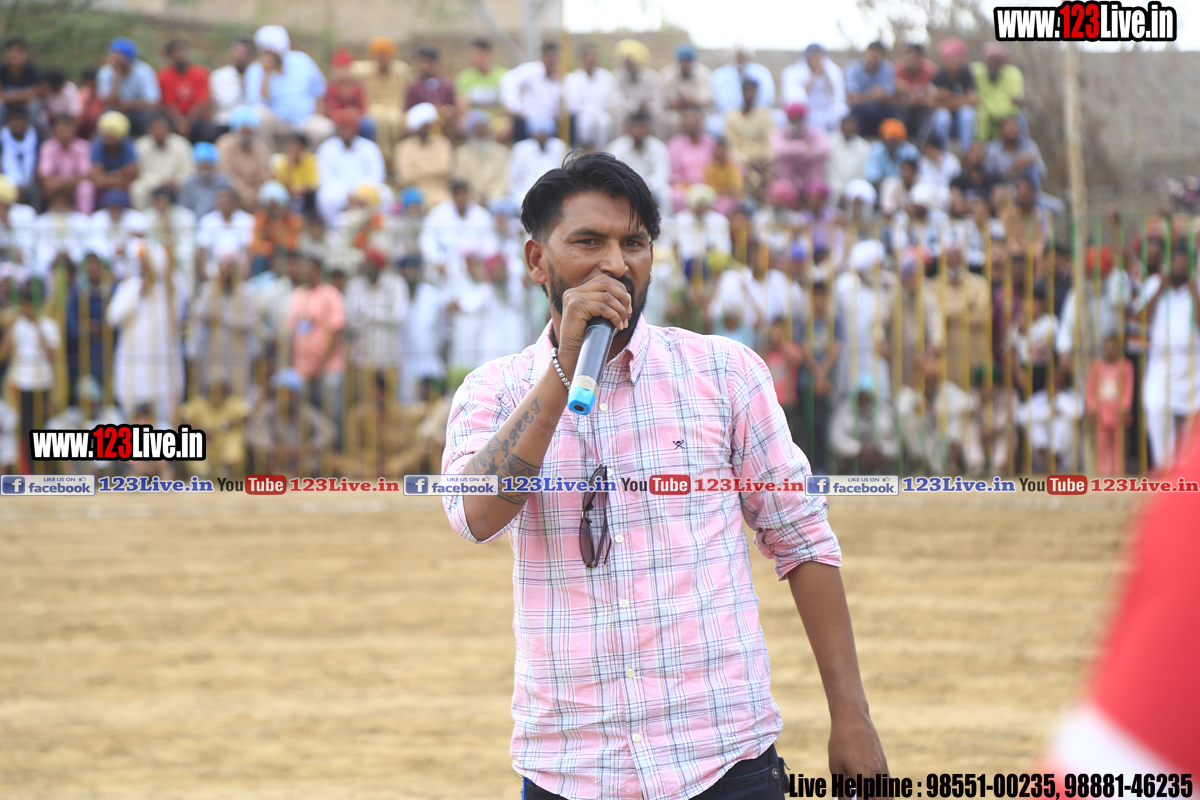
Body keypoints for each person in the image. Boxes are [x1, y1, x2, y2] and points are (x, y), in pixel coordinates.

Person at [440, 151, 887, 797]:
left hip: (724, 757)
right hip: (573, 765)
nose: (615, 263)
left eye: (635, 243)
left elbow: (801, 538)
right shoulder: (495, 390)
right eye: (588, 242)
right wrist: (564, 370)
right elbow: (475, 515)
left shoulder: (724, 373)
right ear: (537, 260)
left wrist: (852, 714)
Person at [106, 239, 187, 428]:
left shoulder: (170, 288)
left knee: (163, 424)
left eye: (148, 262)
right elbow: (112, 317)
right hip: (133, 370)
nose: (144, 266)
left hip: (162, 371)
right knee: (132, 424)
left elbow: (180, 306)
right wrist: (138, 294)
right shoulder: (130, 287)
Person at [1140, 243, 1200, 469]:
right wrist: (1159, 290)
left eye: (1184, 263)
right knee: (1155, 408)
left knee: (1193, 423)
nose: (1179, 267)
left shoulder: (1196, 288)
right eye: (1175, 262)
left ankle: (1188, 469)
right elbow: (1141, 320)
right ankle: (1165, 467)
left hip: (1193, 368)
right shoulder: (1154, 285)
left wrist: (1194, 292)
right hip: (1161, 365)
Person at [245, 25, 334, 148]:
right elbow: (257, 103)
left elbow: (319, 91)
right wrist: (266, 75)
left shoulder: (302, 61)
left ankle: (304, 159)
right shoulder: (255, 70)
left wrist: (317, 115)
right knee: (257, 115)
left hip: (304, 121)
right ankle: (266, 157)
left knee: (323, 128)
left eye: (271, 52)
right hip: (277, 121)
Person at [1, 283, 59, 468]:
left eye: (28, 304)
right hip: (21, 382)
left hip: (43, 382)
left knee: (44, 427)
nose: (26, 308)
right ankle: (30, 470)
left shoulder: (48, 324)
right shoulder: (16, 324)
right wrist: (9, 328)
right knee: (25, 428)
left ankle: (45, 468)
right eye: (23, 304)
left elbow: (52, 354)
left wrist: (38, 327)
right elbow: (3, 354)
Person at [191, 249, 259, 398]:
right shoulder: (208, 290)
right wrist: (215, 290)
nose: (227, 273)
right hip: (213, 354)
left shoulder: (247, 293)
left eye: (231, 268)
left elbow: (248, 322)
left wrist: (222, 315)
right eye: (224, 268)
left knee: (238, 396)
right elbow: (200, 314)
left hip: (238, 356)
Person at [288, 256, 346, 428]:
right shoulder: (298, 295)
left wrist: (319, 365)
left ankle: (334, 443)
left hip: (328, 365)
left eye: (309, 268)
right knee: (303, 413)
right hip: (303, 367)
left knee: (331, 412)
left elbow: (336, 332)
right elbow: (293, 330)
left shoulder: (331, 294)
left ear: (318, 271)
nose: (305, 272)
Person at [248, 366, 335, 474]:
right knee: (260, 457)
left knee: (321, 460)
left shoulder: (304, 410)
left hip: (301, 459)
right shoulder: (267, 411)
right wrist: (274, 449)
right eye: (282, 393)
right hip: (274, 459)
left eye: (290, 393)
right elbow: (252, 435)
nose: (286, 397)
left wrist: (308, 448)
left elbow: (330, 431)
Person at [315, 107, 386, 225]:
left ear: (355, 129)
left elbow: (377, 175)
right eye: (342, 128)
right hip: (338, 192)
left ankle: (375, 227)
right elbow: (326, 177)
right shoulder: (327, 148)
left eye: (348, 128)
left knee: (386, 194)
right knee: (323, 196)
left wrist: (360, 193)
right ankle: (334, 228)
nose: (345, 132)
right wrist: (346, 195)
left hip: (365, 190)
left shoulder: (369, 148)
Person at [419, 179, 497, 284]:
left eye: (465, 193)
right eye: (459, 194)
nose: (462, 197)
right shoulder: (438, 215)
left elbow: (491, 243)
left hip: (475, 274)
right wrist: (438, 260)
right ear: (453, 196)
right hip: (445, 274)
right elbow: (426, 240)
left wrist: (479, 261)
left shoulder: (482, 216)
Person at [352, 37, 411, 172]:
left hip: (394, 107)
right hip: (374, 106)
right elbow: (349, 68)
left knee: (395, 119)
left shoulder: (402, 70)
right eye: (379, 56)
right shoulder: (365, 70)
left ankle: (395, 159)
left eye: (385, 55)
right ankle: (383, 157)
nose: (382, 59)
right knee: (378, 118)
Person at [1085, 332, 1134, 476]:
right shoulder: (1096, 366)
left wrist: (1125, 407)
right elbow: (1090, 389)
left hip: (1119, 413)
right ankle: (1104, 473)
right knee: (1102, 444)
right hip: (1101, 413)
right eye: (1107, 346)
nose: (1110, 349)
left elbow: (1128, 388)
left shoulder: (1126, 366)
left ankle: (1118, 473)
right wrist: (1092, 408)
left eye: (1113, 345)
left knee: (1119, 444)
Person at [605, 110, 671, 213]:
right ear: (628, 129)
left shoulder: (658, 147)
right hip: (626, 187)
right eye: (635, 127)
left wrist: (646, 185)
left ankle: (663, 222)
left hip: (651, 188)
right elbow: (613, 173)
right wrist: (633, 185)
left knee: (666, 192)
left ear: (648, 129)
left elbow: (662, 174)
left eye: (642, 127)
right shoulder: (617, 147)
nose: (639, 131)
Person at [96, 37, 161, 137]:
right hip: (116, 111)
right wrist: (118, 77)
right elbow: (107, 102)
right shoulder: (105, 72)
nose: (117, 58)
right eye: (115, 54)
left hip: (139, 113)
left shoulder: (144, 71)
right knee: (107, 116)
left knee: (147, 117)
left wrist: (130, 104)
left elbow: (154, 102)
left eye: (121, 55)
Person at [393, 102, 453, 209]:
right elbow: (406, 176)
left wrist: (419, 168)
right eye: (423, 126)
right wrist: (433, 168)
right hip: (415, 193)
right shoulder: (404, 147)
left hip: (440, 191)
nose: (427, 129)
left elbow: (445, 169)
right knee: (414, 203)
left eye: (428, 126)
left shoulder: (443, 143)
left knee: (447, 206)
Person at [780, 43, 848, 136]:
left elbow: (836, 95)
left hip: (827, 109)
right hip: (808, 110)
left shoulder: (833, 69)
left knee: (842, 109)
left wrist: (824, 73)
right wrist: (813, 75)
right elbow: (796, 97)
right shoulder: (793, 71)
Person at [131, 111, 194, 210]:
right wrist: (160, 181)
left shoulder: (181, 144)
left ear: (169, 129)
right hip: (151, 183)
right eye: (155, 128)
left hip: (176, 184)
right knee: (137, 189)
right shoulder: (140, 145)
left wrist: (176, 181)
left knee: (190, 188)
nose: (159, 132)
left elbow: (189, 171)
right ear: (149, 130)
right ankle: (142, 217)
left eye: (162, 128)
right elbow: (141, 173)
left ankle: (185, 217)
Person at [500, 42, 562, 142]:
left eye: (555, 57)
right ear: (542, 57)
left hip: (552, 123)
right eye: (548, 56)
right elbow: (509, 79)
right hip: (528, 121)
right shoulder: (532, 70)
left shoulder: (563, 78)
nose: (552, 60)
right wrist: (515, 107)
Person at [723, 79, 773, 201]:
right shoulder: (731, 117)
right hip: (741, 162)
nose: (750, 94)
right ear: (742, 92)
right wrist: (748, 161)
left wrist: (762, 160)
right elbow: (732, 146)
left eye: (753, 91)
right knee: (752, 181)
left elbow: (769, 141)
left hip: (762, 161)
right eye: (747, 90)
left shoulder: (765, 115)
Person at [216, 105, 271, 211]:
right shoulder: (224, 145)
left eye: (248, 131)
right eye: (243, 131)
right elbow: (228, 175)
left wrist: (257, 188)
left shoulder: (260, 148)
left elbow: (263, 173)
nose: (246, 135)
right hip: (233, 190)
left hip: (255, 192)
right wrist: (246, 193)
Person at [158, 39, 213, 142]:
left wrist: (188, 122)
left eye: (182, 50)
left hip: (196, 116)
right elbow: (168, 102)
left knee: (201, 128)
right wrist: (179, 121)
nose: (180, 54)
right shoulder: (163, 76)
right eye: (175, 51)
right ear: (169, 55)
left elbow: (201, 101)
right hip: (173, 117)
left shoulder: (200, 73)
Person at [195, 186, 254, 282]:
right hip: (215, 266)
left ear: (234, 202)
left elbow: (249, 248)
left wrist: (246, 269)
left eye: (225, 199)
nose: (221, 202)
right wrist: (203, 272)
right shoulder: (207, 220)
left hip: (239, 266)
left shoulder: (246, 220)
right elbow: (202, 247)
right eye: (219, 199)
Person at [609, 39, 663, 142]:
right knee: (619, 116)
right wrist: (635, 106)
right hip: (628, 113)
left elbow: (659, 102)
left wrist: (647, 107)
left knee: (660, 117)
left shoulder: (652, 77)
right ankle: (619, 146)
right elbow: (616, 104)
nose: (628, 65)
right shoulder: (617, 78)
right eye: (626, 61)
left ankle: (658, 145)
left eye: (631, 61)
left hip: (648, 113)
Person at [772, 102, 830, 197]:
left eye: (798, 119)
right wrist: (801, 147)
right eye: (793, 120)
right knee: (782, 164)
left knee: (817, 168)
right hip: (788, 179)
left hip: (809, 178)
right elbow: (778, 149)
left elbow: (824, 149)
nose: (795, 123)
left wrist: (805, 154)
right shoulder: (782, 132)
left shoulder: (814, 132)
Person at [931, 37, 978, 153]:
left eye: (957, 58)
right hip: (945, 117)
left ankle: (966, 152)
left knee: (968, 114)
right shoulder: (939, 76)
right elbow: (933, 103)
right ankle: (942, 153)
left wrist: (949, 97)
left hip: (959, 118)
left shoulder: (966, 74)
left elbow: (973, 100)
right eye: (951, 58)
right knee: (943, 116)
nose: (955, 62)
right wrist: (961, 100)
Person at [39, 114, 93, 213]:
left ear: (74, 129)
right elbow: (45, 175)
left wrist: (62, 183)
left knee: (85, 187)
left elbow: (85, 174)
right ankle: (48, 217)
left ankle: (84, 218)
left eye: (66, 128)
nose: (62, 131)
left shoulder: (83, 146)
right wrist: (64, 183)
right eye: (59, 128)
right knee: (45, 187)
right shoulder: (48, 147)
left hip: (71, 185)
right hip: (56, 186)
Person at [454, 110, 510, 207]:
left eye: (483, 127)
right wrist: (474, 197)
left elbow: (505, 181)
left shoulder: (502, 152)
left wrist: (490, 196)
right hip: (469, 199)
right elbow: (460, 181)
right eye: (477, 127)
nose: (481, 131)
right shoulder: (461, 154)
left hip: (496, 198)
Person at [563, 42, 614, 149]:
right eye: (587, 56)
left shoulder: (606, 76)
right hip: (583, 114)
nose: (591, 59)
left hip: (602, 112)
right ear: (581, 59)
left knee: (605, 123)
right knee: (585, 124)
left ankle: (602, 153)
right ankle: (585, 152)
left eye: (594, 55)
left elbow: (610, 98)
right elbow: (574, 102)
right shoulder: (574, 78)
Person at [970, 44, 1025, 143]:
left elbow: (1016, 100)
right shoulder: (975, 72)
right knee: (978, 115)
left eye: (997, 62)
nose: (993, 65)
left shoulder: (1013, 74)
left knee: (1019, 118)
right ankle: (979, 144)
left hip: (1006, 114)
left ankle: (1023, 146)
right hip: (984, 113)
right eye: (990, 61)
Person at [89, 188, 147, 279]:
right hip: (106, 265)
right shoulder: (97, 220)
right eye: (112, 207)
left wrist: (127, 250)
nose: (115, 211)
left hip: (130, 266)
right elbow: (95, 245)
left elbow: (142, 244)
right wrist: (113, 252)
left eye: (118, 207)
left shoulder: (136, 219)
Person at [508, 116, 567, 207]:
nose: (541, 136)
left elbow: (565, 172)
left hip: (554, 193)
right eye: (539, 133)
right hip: (524, 193)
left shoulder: (559, 146)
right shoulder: (521, 148)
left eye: (544, 133)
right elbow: (513, 176)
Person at [32, 188, 89, 279]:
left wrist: (71, 255)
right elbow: (40, 247)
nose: (60, 206)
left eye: (63, 202)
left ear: (69, 204)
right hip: (49, 262)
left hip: (74, 263)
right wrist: (53, 256)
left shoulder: (81, 221)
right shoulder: (41, 222)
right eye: (57, 202)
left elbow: (85, 245)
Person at [666, 104, 715, 211]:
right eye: (687, 118)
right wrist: (687, 186)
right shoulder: (674, 145)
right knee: (677, 197)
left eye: (695, 118)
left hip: (709, 186)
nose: (692, 122)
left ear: (702, 121)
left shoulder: (712, 144)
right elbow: (673, 174)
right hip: (684, 187)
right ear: (682, 122)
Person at [659, 43, 713, 140]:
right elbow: (667, 103)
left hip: (698, 110)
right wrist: (681, 102)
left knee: (702, 121)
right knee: (672, 121)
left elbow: (706, 101)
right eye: (682, 62)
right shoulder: (667, 74)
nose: (685, 65)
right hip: (678, 111)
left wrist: (691, 100)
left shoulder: (704, 73)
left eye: (687, 62)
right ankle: (674, 146)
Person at [845, 41, 897, 138]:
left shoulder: (888, 68)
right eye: (871, 53)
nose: (873, 57)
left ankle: (886, 139)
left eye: (877, 54)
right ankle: (858, 140)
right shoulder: (853, 68)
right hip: (860, 109)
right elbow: (854, 99)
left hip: (880, 108)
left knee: (892, 109)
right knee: (856, 110)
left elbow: (889, 96)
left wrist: (864, 96)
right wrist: (873, 94)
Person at [250, 180, 302, 275]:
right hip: (267, 259)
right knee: (259, 260)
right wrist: (272, 248)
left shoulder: (294, 220)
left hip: (288, 257)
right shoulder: (261, 218)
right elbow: (255, 245)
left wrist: (278, 223)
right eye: (271, 208)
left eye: (276, 207)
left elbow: (293, 244)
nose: (274, 211)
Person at [711, 43, 776, 117]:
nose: (740, 58)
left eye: (743, 55)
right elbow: (722, 101)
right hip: (730, 116)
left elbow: (767, 98)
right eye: (738, 55)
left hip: (758, 115)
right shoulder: (720, 74)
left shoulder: (762, 72)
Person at [985, 114, 1045, 191]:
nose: (1012, 129)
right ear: (1000, 130)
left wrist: (1032, 161)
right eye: (1008, 126)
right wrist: (1016, 167)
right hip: (1005, 192)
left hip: (1029, 192)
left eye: (1014, 125)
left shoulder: (1030, 146)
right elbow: (989, 180)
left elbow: (1043, 175)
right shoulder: (992, 150)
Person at [892, 42, 937, 144]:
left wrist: (911, 94)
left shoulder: (931, 71)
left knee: (928, 111)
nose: (910, 58)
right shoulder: (897, 69)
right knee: (899, 109)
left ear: (922, 57)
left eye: (915, 55)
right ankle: (900, 142)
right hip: (903, 110)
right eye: (908, 54)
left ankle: (921, 144)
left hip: (921, 111)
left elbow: (930, 99)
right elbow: (897, 95)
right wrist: (918, 96)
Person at [209, 37, 254, 132]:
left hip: (251, 124)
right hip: (224, 122)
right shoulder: (219, 76)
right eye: (238, 51)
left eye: (245, 53)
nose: (241, 56)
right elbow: (225, 103)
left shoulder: (256, 76)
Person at [406, 46, 456, 132]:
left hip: (443, 122)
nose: (424, 66)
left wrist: (444, 110)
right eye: (421, 62)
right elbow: (410, 109)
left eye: (427, 62)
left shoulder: (446, 84)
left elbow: (453, 107)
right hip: (420, 124)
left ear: (435, 63)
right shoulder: (415, 86)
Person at [455, 38, 506, 121]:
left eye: (479, 55)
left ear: (490, 55)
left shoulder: (504, 76)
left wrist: (493, 120)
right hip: (473, 121)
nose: (476, 59)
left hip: (498, 120)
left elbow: (508, 106)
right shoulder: (464, 77)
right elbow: (462, 106)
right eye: (473, 55)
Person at [825, 114, 871, 206]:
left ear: (856, 128)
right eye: (846, 125)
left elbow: (864, 174)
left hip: (855, 190)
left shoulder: (865, 147)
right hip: (833, 189)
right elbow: (830, 172)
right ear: (841, 127)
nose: (848, 128)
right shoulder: (830, 144)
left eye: (851, 126)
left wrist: (850, 192)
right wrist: (839, 192)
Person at [180, 140, 233, 219]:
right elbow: (184, 209)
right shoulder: (189, 183)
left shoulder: (224, 182)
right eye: (202, 165)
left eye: (208, 165)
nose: (205, 169)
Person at [324, 49, 369, 138]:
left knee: (368, 124)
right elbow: (330, 110)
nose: (343, 71)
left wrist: (354, 115)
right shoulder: (331, 88)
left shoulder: (357, 87)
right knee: (327, 128)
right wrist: (346, 114)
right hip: (336, 121)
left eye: (345, 68)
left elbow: (363, 109)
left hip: (356, 120)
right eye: (340, 68)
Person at [864, 118, 919, 187]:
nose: (891, 143)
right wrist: (891, 183)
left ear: (900, 140)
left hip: (908, 187)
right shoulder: (877, 150)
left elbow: (916, 175)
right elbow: (873, 178)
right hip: (883, 188)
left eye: (894, 139)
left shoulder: (911, 151)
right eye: (889, 139)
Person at [0, 37, 43, 124]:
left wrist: (11, 97)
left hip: (26, 104)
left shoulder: (33, 70)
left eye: (19, 51)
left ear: (26, 54)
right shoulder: (2, 70)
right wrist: (23, 95)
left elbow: (37, 92)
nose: (15, 54)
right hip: (7, 104)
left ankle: (37, 132)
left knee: (34, 106)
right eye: (11, 50)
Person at [0, 104, 38, 202]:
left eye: (21, 120)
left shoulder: (37, 138)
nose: (17, 123)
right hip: (5, 183)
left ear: (28, 122)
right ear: (7, 123)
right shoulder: (2, 139)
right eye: (14, 120)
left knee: (35, 191)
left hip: (31, 184)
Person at [270, 132, 318, 208]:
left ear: (303, 148)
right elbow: (281, 186)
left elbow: (312, 183)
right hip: (288, 197)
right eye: (291, 144)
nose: (293, 148)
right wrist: (290, 167)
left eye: (297, 145)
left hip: (306, 198)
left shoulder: (310, 160)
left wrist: (299, 190)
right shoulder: (282, 163)